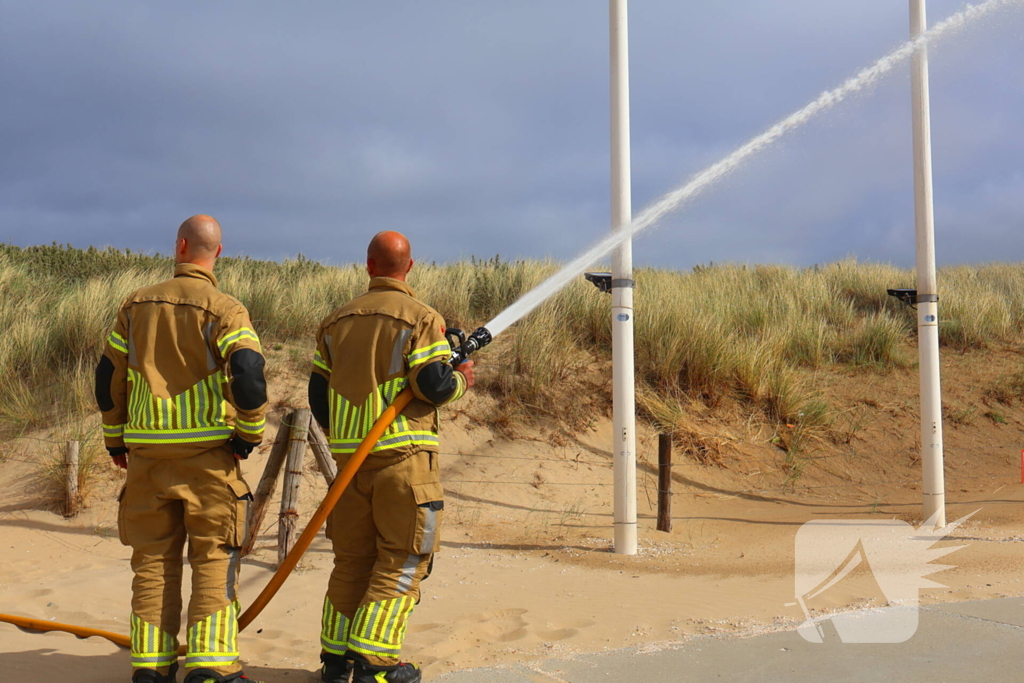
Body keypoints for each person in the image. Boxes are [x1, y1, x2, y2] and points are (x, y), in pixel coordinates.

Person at [96, 215, 269, 683]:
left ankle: (151, 667)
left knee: (152, 563)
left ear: (179, 246)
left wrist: (115, 437)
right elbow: (249, 375)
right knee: (213, 558)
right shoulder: (226, 309)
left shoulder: (134, 305)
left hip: (147, 461)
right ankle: (210, 666)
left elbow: (108, 377)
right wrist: (249, 433)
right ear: (219, 253)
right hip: (209, 458)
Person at [308, 231, 475, 683]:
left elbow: (317, 393)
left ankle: (336, 660)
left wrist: (344, 436)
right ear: (410, 267)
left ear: (368, 266)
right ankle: (374, 664)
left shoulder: (335, 321)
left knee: (352, 560)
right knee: (404, 558)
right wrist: (462, 379)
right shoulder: (421, 317)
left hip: (349, 465)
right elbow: (432, 385)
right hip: (402, 461)